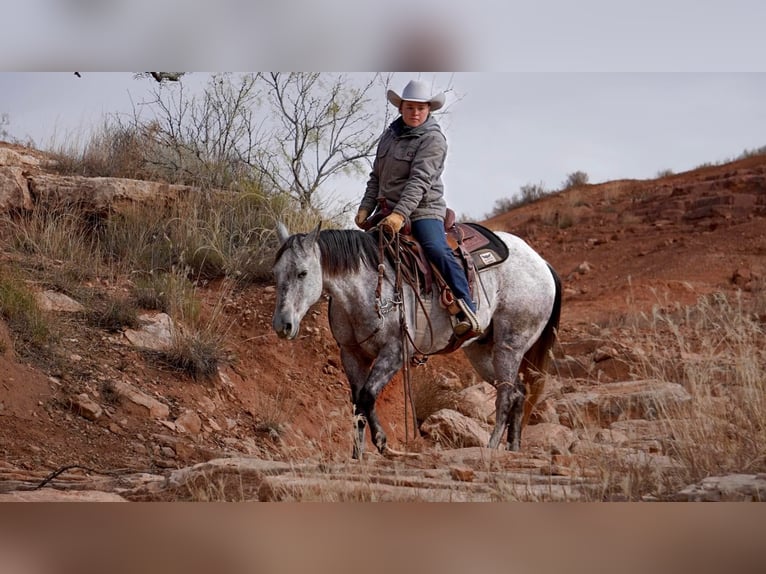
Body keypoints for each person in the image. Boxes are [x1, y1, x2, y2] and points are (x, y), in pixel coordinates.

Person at [355, 79, 480, 337]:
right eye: (410, 107)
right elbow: (376, 176)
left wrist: (400, 214)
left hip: (424, 209)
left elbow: (419, 181)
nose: (415, 113)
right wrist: (365, 208)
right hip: (387, 210)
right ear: (401, 107)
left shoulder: (433, 140)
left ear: (429, 110)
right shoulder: (389, 136)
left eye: (421, 108)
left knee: (436, 248)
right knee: (360, 254)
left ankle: (466, 305)